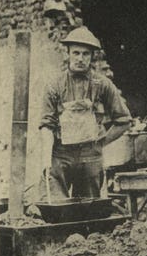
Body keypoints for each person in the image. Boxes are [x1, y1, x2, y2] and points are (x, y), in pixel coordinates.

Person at [39, 26, 132, 200]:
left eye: (85, 54)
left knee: (89, 209)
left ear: (92, 56)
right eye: (76, 53)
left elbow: (124, 120)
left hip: (90, 155)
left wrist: (101, 142)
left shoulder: (102, 84)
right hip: (61, 154)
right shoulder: (55, 84)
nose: (80, 58)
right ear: (68, 53)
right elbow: (46, 124)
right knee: (57, 206)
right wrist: (46, 157)